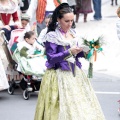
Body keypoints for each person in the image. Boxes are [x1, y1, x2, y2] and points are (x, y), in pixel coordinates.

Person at [34, 3, 105, 120]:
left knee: (80, 106)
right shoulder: (52, 35)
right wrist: (69, 52)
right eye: (67, 21)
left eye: (72, 20)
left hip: (75, 73)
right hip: (57, 75)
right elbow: (51, 58)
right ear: (58, 19)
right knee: (59, 108)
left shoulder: (73, 33)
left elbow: (76, 54)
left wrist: (87, 52)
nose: (70, 24)